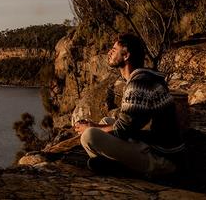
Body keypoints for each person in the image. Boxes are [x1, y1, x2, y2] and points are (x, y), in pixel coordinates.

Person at [73, 33, 184, 177]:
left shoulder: (138, 84)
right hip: (152, 144)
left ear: (126, 56)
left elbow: (123, 130)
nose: (109, 53)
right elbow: (129, 125)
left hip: (162, 159)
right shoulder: (142, 78)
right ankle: (117, 166)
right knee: (106, 122)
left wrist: (92, 127)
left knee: (89, 136)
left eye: (114, 50)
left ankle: (127, 170)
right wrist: (97, 125)